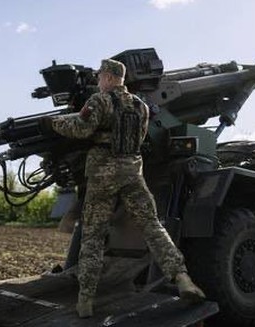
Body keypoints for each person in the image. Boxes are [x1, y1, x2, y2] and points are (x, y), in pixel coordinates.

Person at [40, 58, 205, 318]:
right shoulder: (141, 106)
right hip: (131, 172)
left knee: (93, 236)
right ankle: (183, 278)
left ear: (107, 77)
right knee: (152, 226)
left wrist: (53, 123)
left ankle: (85, 301)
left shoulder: (99, 100)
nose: (98, 82)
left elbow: (80, 129)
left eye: (99, 77)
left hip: (103, 174)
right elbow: (137, 139)